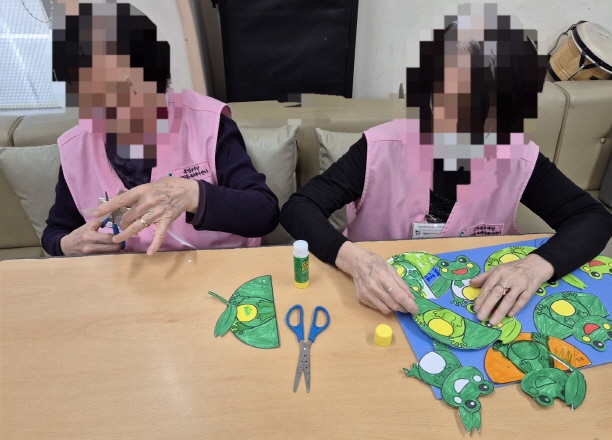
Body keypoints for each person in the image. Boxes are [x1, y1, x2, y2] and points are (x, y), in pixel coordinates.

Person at [280, 6, 612, 326]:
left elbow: (592, 218)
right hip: (378, 302)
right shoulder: (380, 147)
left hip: (471, 305)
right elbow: (300, 207)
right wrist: (355, 260)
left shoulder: (518, 156)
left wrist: (535, 266)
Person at [42, 1, 279, 257]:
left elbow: (263, 212)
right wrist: (68, 244)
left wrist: (193, 195)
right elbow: (56, 230)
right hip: (130, 273)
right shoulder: (76, 148)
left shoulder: (207, 122)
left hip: (216, 264)